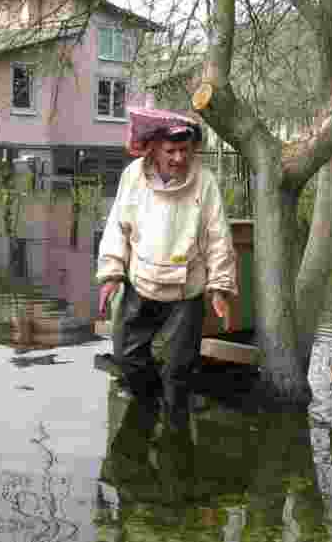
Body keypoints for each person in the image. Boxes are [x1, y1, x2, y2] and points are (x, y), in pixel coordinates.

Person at [96, 107, 237, 431]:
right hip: (140, 283)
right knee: (128, 358)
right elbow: (118, 228)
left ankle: (176, 446)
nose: (178, 158)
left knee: (178, 371)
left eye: (184, 150)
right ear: (154, 148)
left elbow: (218, 238)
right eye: (170, 151)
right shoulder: (133, 175)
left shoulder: (205, 181)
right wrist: (110, 276)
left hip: (186, 290)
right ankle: (147, 411)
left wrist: (219, 289)